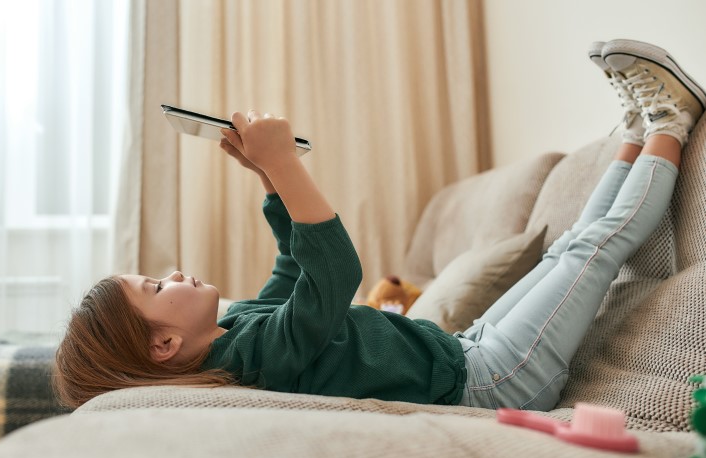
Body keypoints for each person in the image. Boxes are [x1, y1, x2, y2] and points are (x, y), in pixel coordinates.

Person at [53, 39, 705, 411]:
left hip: (464, 354)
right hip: (492, 384)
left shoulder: (238, 328)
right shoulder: (254, 361)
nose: (172, 273)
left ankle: (634, 132)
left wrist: (269, 179)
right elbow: (333, 274)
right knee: (588, 250)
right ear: (164, 346)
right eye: (156, 287)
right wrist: (283, 162)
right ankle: (672, 120)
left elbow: (293, 270)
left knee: (567, 249)